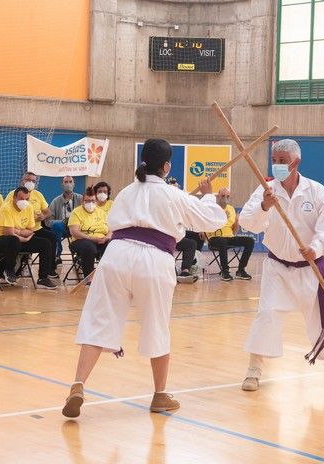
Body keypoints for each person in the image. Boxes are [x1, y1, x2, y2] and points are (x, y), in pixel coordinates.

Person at [62, 139, 226, 418]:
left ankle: (77, 386)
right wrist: (208, 196)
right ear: (166, 166)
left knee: (98, 319)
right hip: (154, 261)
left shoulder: (126, 191)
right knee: (156, 325)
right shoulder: (174, 195)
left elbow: (113, 224)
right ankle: (160, 395)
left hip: (116, 256)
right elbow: (213, 220)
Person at [238, 139, 324, 392]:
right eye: (275, 161)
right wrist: (264, 206)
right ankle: (254, 369)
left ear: (296, 162)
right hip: (277, 267)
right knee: (266, 313)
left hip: (311, 268)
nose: (278, 165)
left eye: (283, 161)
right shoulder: (265, 190)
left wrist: (316, 247)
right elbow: (247, 221)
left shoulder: (317, 192)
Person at [0, 187, 57, 289]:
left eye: (26, 199)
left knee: (46, 243)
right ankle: (9, 271)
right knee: (14, 240)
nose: (24, 201)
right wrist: (22, 236)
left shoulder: (29, 208)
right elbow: (8, 232)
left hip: (17, 240)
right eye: (21, 198)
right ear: (14, 198)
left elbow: (31, 229)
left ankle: (43, 278)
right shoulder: (6, 208)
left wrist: (18, 232)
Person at [5, 172, 58, 279]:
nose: (30, 183)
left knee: (52, 237)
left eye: (33, 181)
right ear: (22, 181)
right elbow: (6, 213)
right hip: (17, 228)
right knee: (41, 243)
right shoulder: (12, 195)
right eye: (28, 180)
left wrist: (42, 216)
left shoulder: (38, 195)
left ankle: (49, 269)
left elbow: (48, 212)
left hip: (35, 228)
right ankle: (15, 266)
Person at [205, 187, 255, 281]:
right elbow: (207, 224)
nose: (225, 198)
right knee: (222, 241)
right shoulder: (212, 208)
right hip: (215, 238)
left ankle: (241, 270)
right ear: (218, 196)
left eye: (227, 196)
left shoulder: (231, 209)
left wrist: (237, 222)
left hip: (229, 237)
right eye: (223, 196)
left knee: (250, 241)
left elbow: (234, 232)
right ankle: (225, 271)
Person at [68, 188, 111, 279]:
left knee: (112, 244)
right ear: (82, 201)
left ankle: (107, 277)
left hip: (101, 240)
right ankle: (89, 278)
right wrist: (92, 238)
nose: (90, 203)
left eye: (92, 201)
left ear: (96, 201)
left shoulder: (101, 212)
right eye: (87, 201)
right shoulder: (76, 212)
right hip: (81, 240)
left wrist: (107, 237)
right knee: (89, 246)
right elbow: (74, 232)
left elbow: (111, 229)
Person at [47, 176, 83, 264]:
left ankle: (80, 255)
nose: (68, 184)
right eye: (66, 182)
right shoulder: (56, 201)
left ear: (74, 184)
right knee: (56, 226)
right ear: (62, 185)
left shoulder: (81, 199)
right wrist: (61, 222)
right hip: (62, 228)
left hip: (78, 227)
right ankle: (57, 255)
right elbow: (48, 221)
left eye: (70, 182)